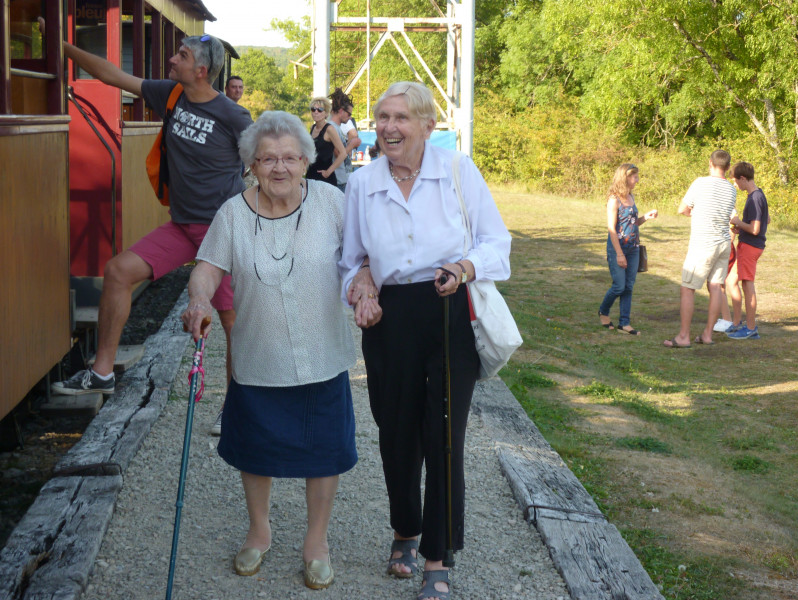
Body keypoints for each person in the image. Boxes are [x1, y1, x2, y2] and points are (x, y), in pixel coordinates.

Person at [181, 111, 372, 588]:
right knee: (256, 448)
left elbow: (364, 254)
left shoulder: (332, 202)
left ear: (307, 162)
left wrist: (367, 281)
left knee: (326, 450)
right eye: (268, 159)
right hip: (258, 354)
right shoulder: (233, 213)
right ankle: (259, 531)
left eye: (290, 157)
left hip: (321, 352)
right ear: (252, 164)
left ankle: (316, 541)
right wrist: (200, 297)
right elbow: (207, 267)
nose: (280, 167)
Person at [339, 81, 512, 600]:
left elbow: (497, 244)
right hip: (390, 321)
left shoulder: (458, 171)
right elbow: (347, 261)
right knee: (396, 436)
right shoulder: (362, 184)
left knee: (443, 437)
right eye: (382, 117)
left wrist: (464, 266)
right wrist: (361, 285)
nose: (389, 127)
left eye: (401, 118)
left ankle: (438, 551)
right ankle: (404, 531)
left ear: (427, 126)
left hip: (448, 310)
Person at [51, 33, 252, 415]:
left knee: (232, 323)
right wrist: (61, 47)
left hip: (223, 233)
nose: (173, 60)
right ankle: (102, 373)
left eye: (182, 55)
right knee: (118, 271)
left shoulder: (233, 115)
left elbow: (264, 161)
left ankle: (239, 412)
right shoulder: (171, 95)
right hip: (182, 226)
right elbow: (111, 74)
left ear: (202, 70)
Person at [663, 150, 737, 348]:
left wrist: (694, 213)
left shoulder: (700, 183)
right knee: (715, 288)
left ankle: (684, 337)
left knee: (688, 288)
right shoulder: (731, 189)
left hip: (704, 243)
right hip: (724, 243)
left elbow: (682, 209)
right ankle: (707, 335)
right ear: (728, 167)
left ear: (710, 163)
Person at [597, 164, 658, 335]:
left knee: (629, 286)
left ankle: (624, 323)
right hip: (618, 248)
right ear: (625, 178)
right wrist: (619, 254)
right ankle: (603, 311)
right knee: (619, 286)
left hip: (633, 248)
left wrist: (646, 217)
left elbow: (633, 222)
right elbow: (611, 228)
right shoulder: (613, 200)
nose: (637, 180)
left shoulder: (630, 196)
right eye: (634, 177)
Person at [727, 161, 769, 339]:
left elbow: (755, 229)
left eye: (736, 181)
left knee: (747, 285)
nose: (735, 185)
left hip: (750, 247)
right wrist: (741, 228)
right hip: (750, 244)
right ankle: (737, 323)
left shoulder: (754, 198)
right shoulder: (759, 195)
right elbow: (766, 220)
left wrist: (737, 221)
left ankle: (751, 329)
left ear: (743, 178)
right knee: (730, 281)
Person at [305, 97, 347, 187]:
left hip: (325, 178)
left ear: (326, 113)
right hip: (311, 176)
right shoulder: (312, 128)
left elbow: (343, 153)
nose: (316, 112)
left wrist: (328, 171)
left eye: (320, 110)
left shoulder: (329, 129)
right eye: (313, 109)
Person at [329, 88, 362, 193]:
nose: (350, 117)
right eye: (349, 114)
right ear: (341, 111)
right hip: (338, 181)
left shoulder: (335, 128)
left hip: (341, 178)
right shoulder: (332, 128)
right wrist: (351, 145)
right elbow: (338, 153)